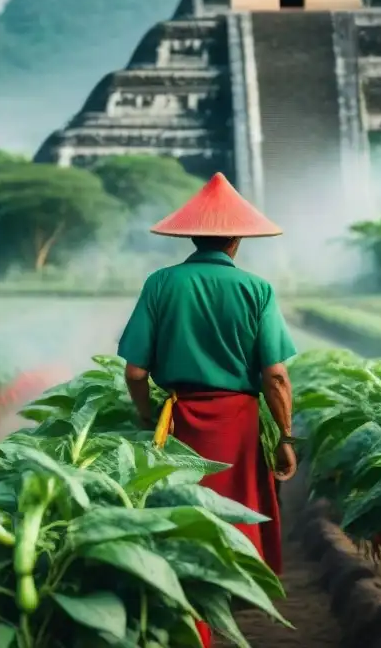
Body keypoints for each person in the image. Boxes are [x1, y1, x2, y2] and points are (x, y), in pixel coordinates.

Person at [117, 172, 298, 584]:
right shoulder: (257, 288)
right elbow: (275, 376)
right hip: (239, 420)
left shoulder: (161, 283)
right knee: (239, 503)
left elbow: (135, 372)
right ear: (237, 241)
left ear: (192, 238)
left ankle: (186, 587)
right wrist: (285, 437)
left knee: (183, 503)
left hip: (180, 417)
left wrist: (147, 418)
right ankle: (238, 583)